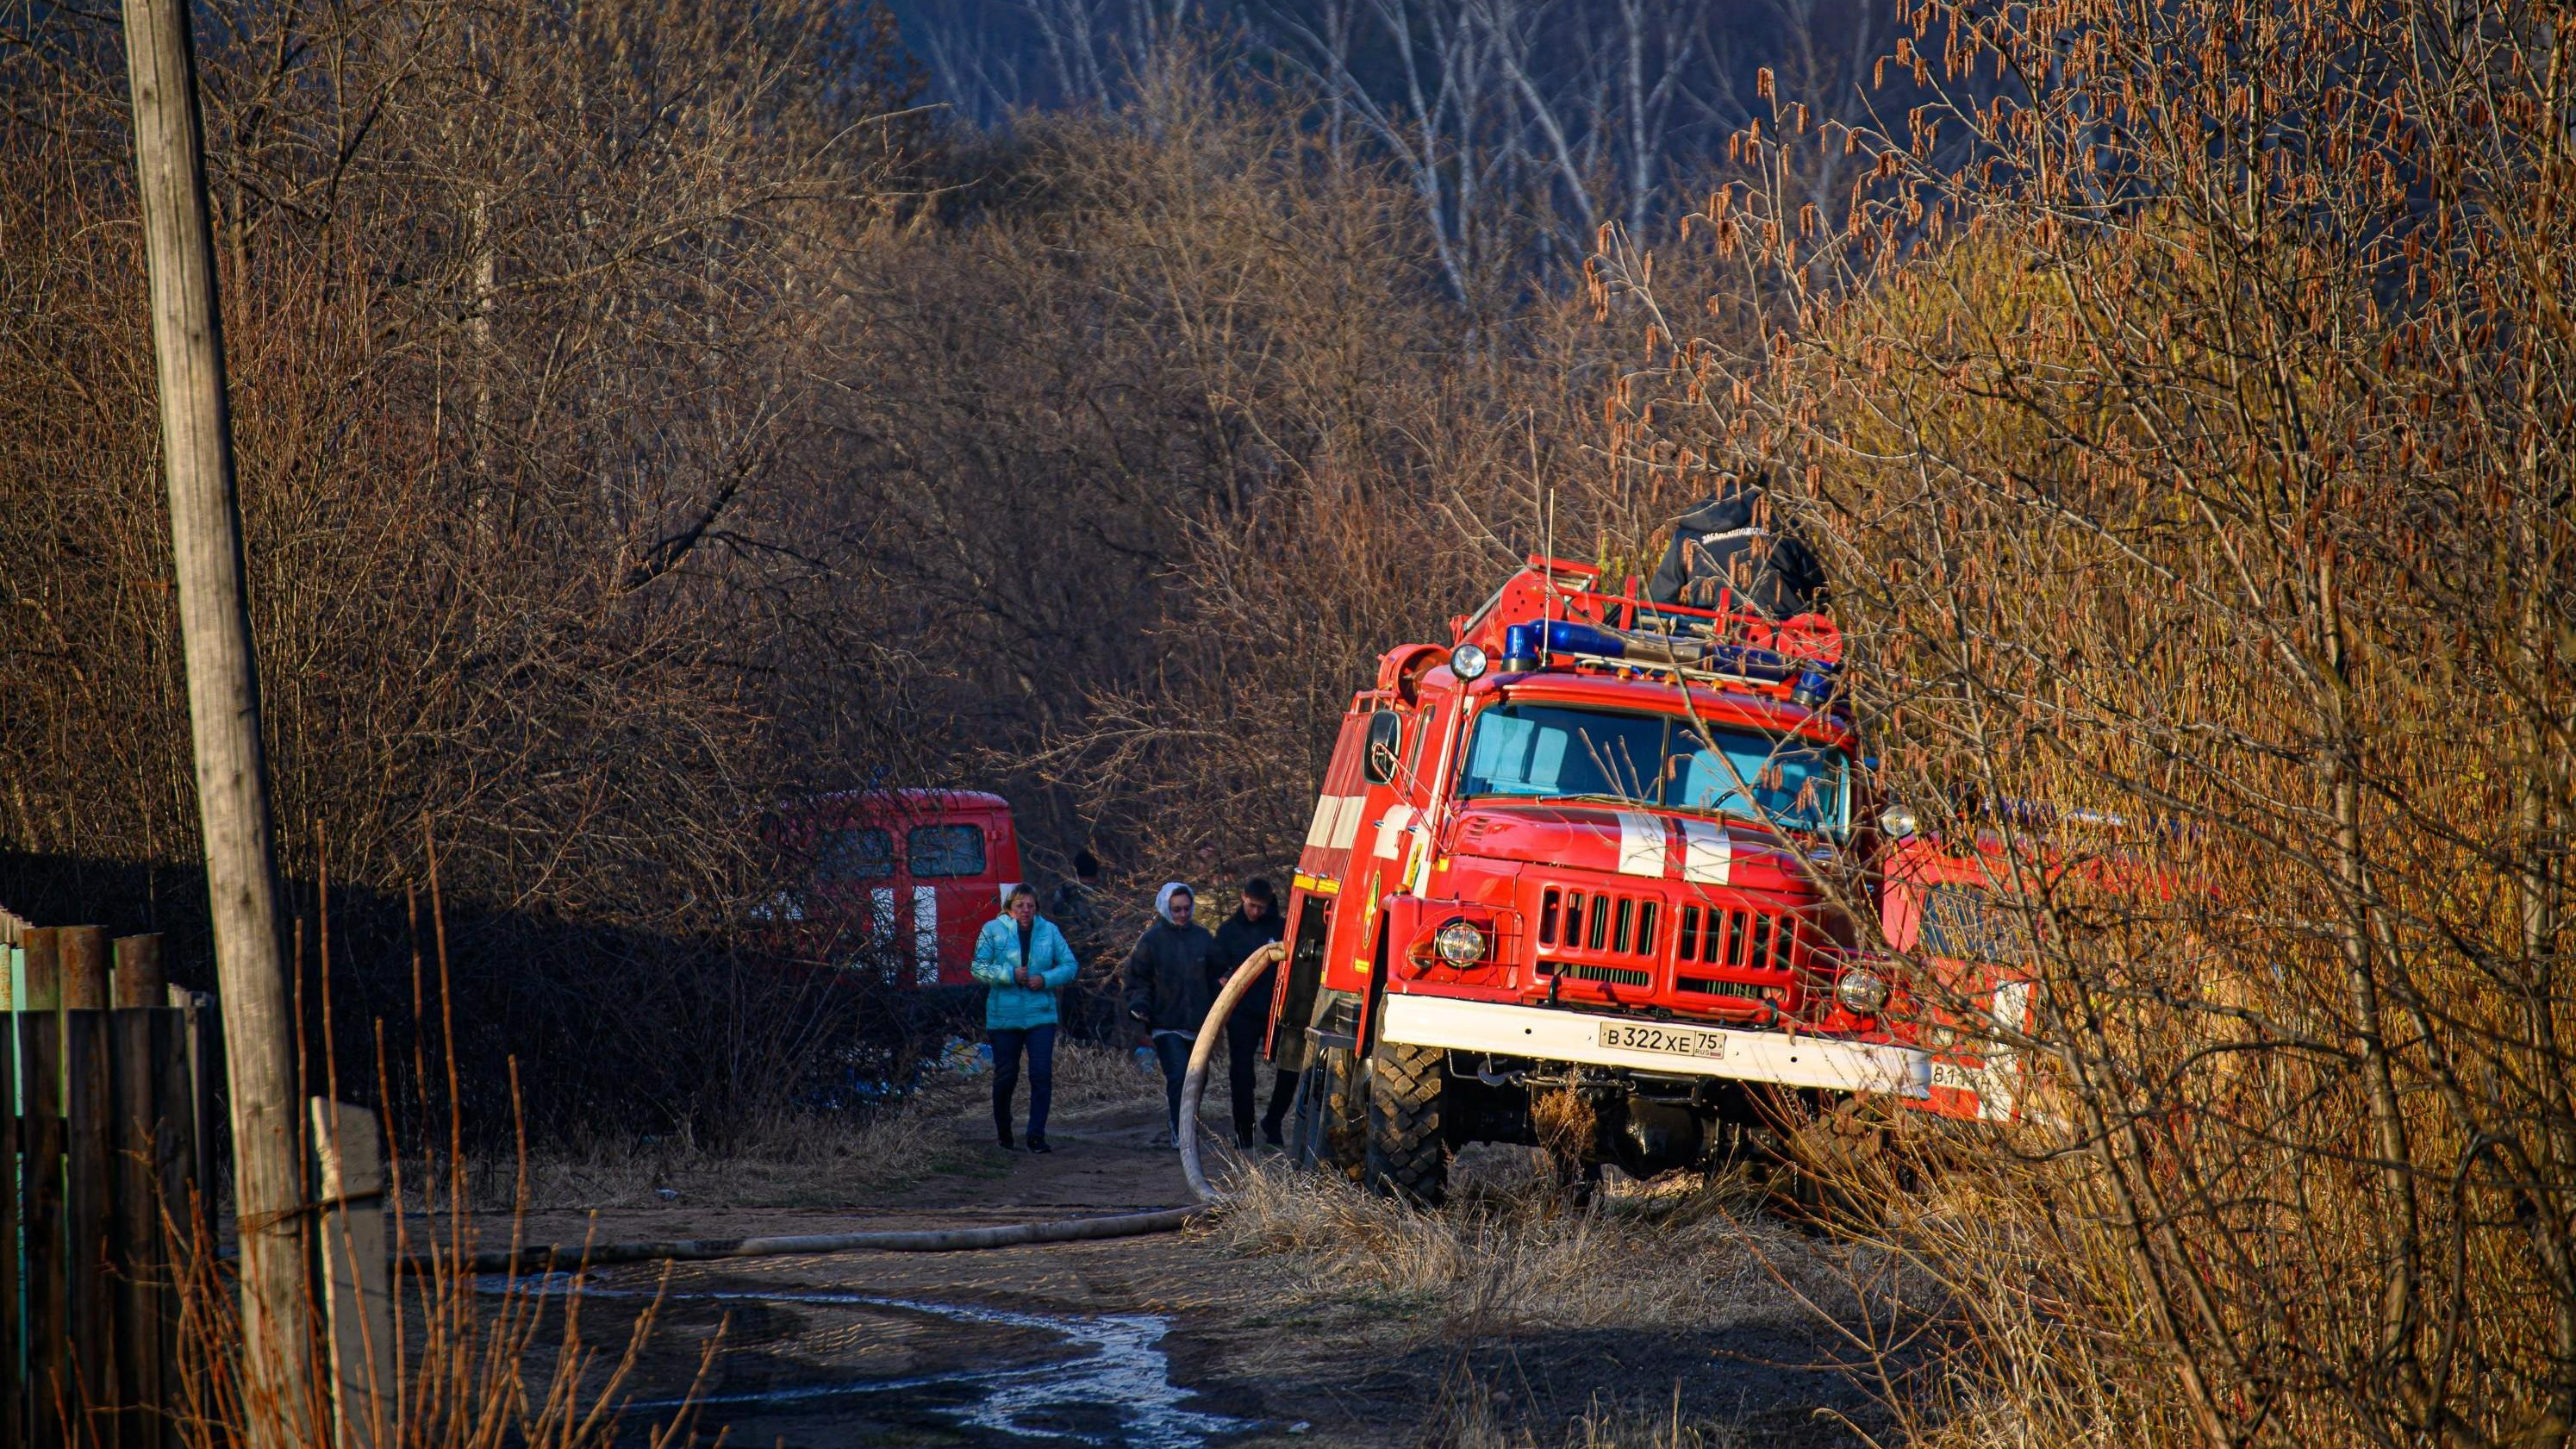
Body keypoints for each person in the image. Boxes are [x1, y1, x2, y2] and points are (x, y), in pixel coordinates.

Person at [970, 884, 1079, 1152]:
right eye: (1020, 906)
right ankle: (1004, 1132)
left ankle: (1036, 1135)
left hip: (1040, 1015)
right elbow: (977, 968)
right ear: (1010, 908)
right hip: (1004, 1018)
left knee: (1041, 1075)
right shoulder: (991, 930)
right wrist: (1009, 975)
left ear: (1036, 909)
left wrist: (1045, 979)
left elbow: (1070, 965)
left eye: (1030, 906)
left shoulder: (1049, 931)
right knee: (1006, 1076)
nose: (1026, 911)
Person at [1122, 881, 1224, 1146]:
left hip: (1200, 1024)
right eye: (1176, 909)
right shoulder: (1151, 940)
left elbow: (1217, 975)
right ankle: (1181, 1130)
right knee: (1179, 1074)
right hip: (1166, 1023)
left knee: (1199, 1078)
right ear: (1166, 909)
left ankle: (1188, 1122)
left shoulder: (1203, 938)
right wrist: (1140, 1006)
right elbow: (1137, 980)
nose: (1182, 915)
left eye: (1186, 909)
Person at [1215, 878, 1294, 1149]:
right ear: (1242, 898)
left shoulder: (1282, 928)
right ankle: (1244, 1132)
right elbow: (1215, 968)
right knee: (1241, 1074)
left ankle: (1273, 1121)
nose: (1256, 912)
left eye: (1261, 907)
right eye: (1252, 906)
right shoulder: (1228, 932)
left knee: (1289, 1068)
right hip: (1242, 1013)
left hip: (1277, 1010)